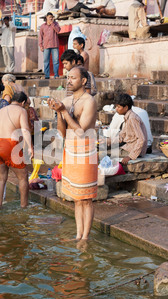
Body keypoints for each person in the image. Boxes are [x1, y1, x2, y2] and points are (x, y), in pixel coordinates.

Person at [47, 66, 98, 241]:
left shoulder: (89, 101)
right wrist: (58, 113)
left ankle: (85, 238)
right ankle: (78, 235)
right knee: (77, 198)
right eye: (68, 77)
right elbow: (62, 132)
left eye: (73, 78)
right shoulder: (67, 100)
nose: (69, 81)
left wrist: (62, 112)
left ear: (83, 81)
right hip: (70, 150)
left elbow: (81, 130)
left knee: (86, 198)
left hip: (86, 150)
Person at [0, 91, 33, 208]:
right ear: (23, 102)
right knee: (23, 176)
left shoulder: (1, 110)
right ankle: (24, 206)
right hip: (9, 143)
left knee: (0, 178)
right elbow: (25, 129)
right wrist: (30, 146)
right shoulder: (21, 110)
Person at [104, 94, 148, 165]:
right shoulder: (127, 117)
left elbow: (141, 139)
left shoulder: (132, 118)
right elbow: (122, 137)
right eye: (116, 106)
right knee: (104, 148)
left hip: (132, 150)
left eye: (118, 107)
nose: (116, 109)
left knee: (102, 154)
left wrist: (130, 156)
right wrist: (106, 141)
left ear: (126, 107)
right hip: (128, 147)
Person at [39, 12, 61, 79]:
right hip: (46, 46)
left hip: (54, 45)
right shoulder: (43, 26)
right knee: (46, 61)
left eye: (51, 17)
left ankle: (56, 75)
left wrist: (53, 24)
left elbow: (58, 31)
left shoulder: (56, 24)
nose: (50, 18)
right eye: (49, 17)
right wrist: (40, 45)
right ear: (46, 17)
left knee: (56, 61)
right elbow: (40, 36)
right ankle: (46, 75)